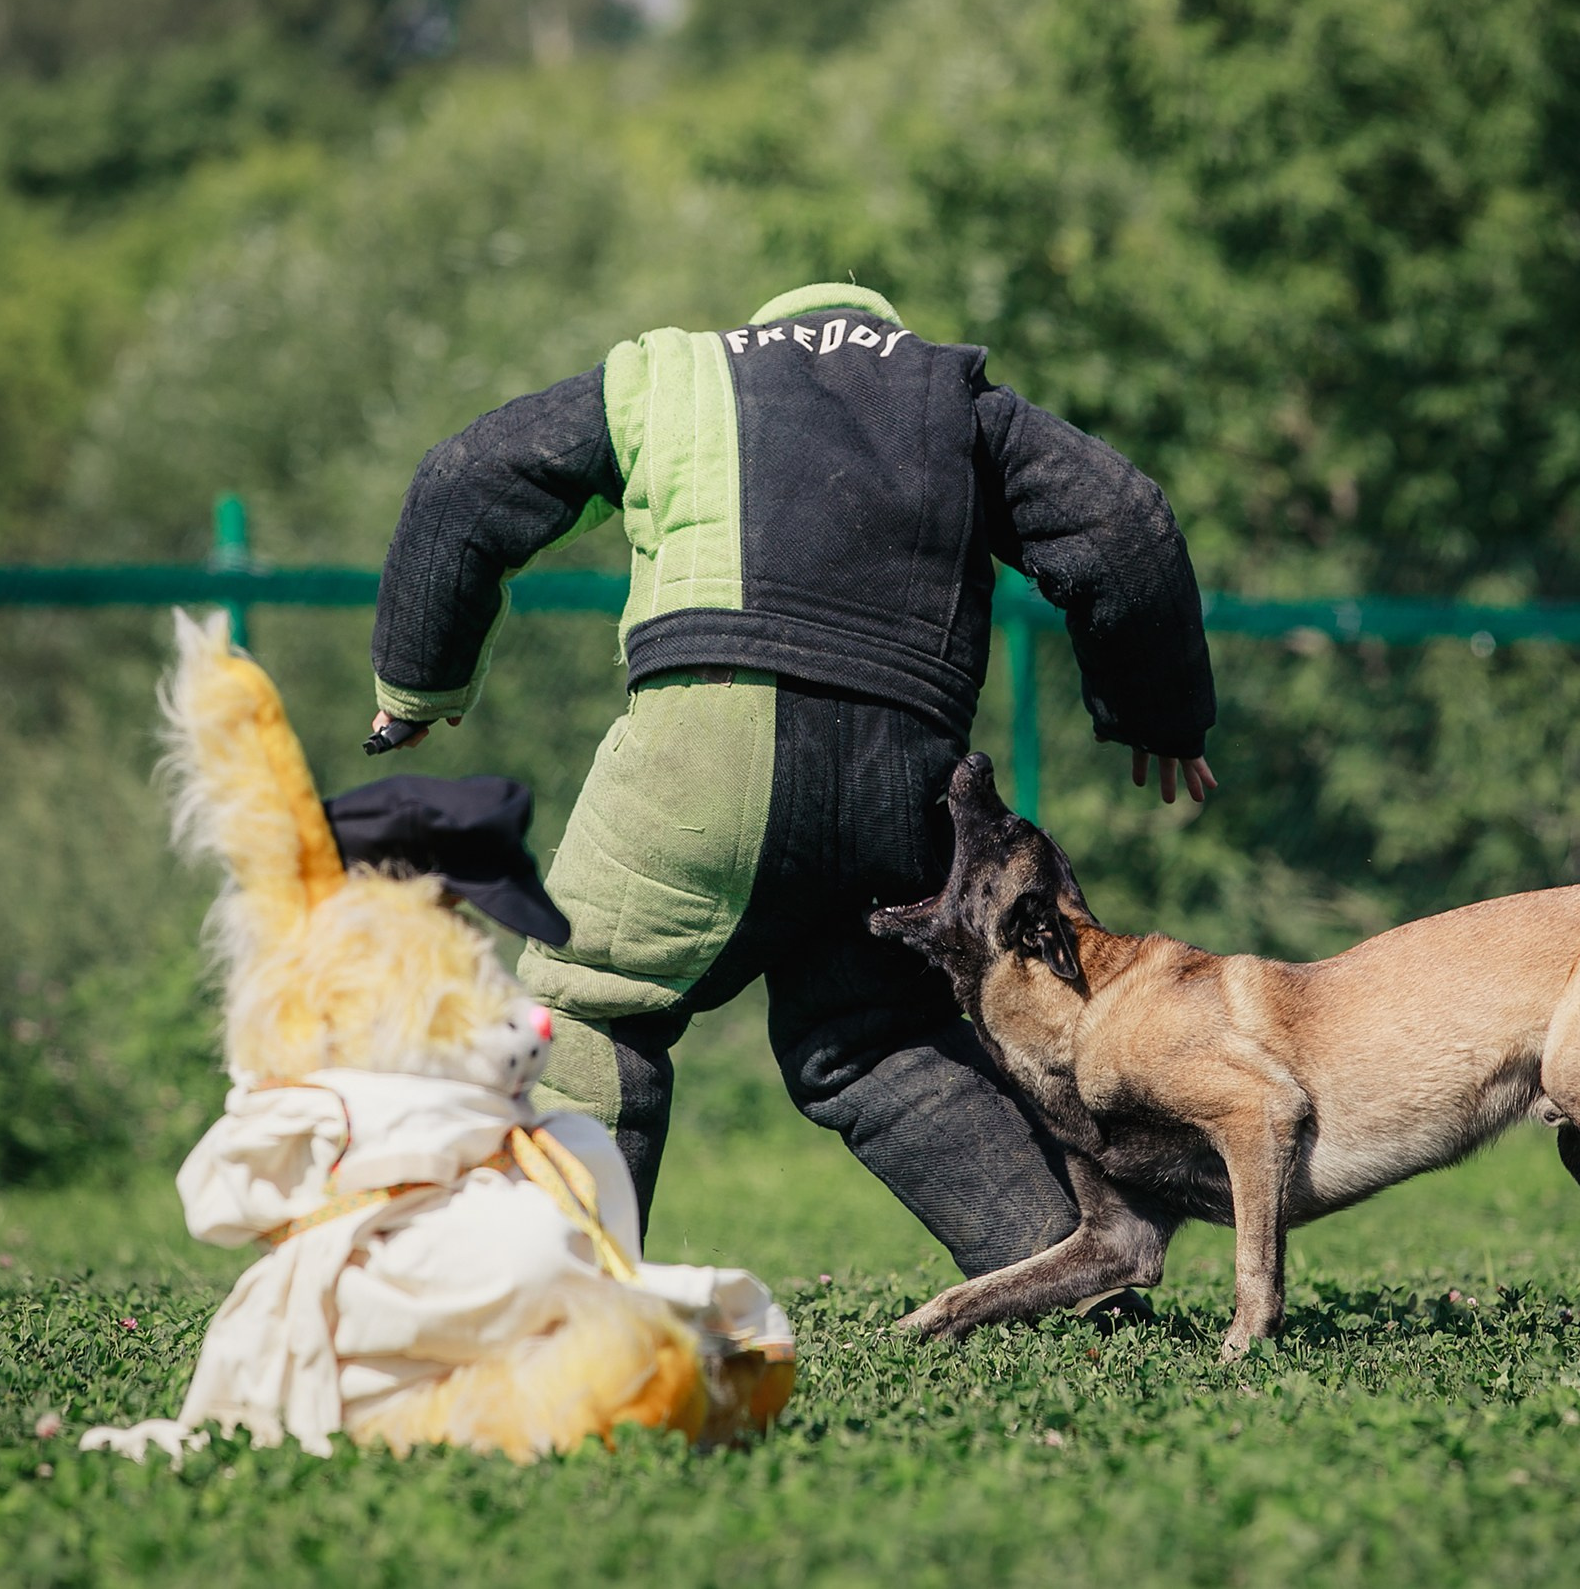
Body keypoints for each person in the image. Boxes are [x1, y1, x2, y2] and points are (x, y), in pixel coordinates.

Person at [367, 282, 1216, 1283]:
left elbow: (469, 479)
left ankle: (561, 1297)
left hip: (703, 745)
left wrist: (417, 683)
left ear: (765, 332)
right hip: (906, 780)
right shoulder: (957, 402)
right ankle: (1070, 1271)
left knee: (594, 1011)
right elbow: (1123, 521)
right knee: (875, 1035)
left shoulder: (670, 376)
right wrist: (1156, 716)